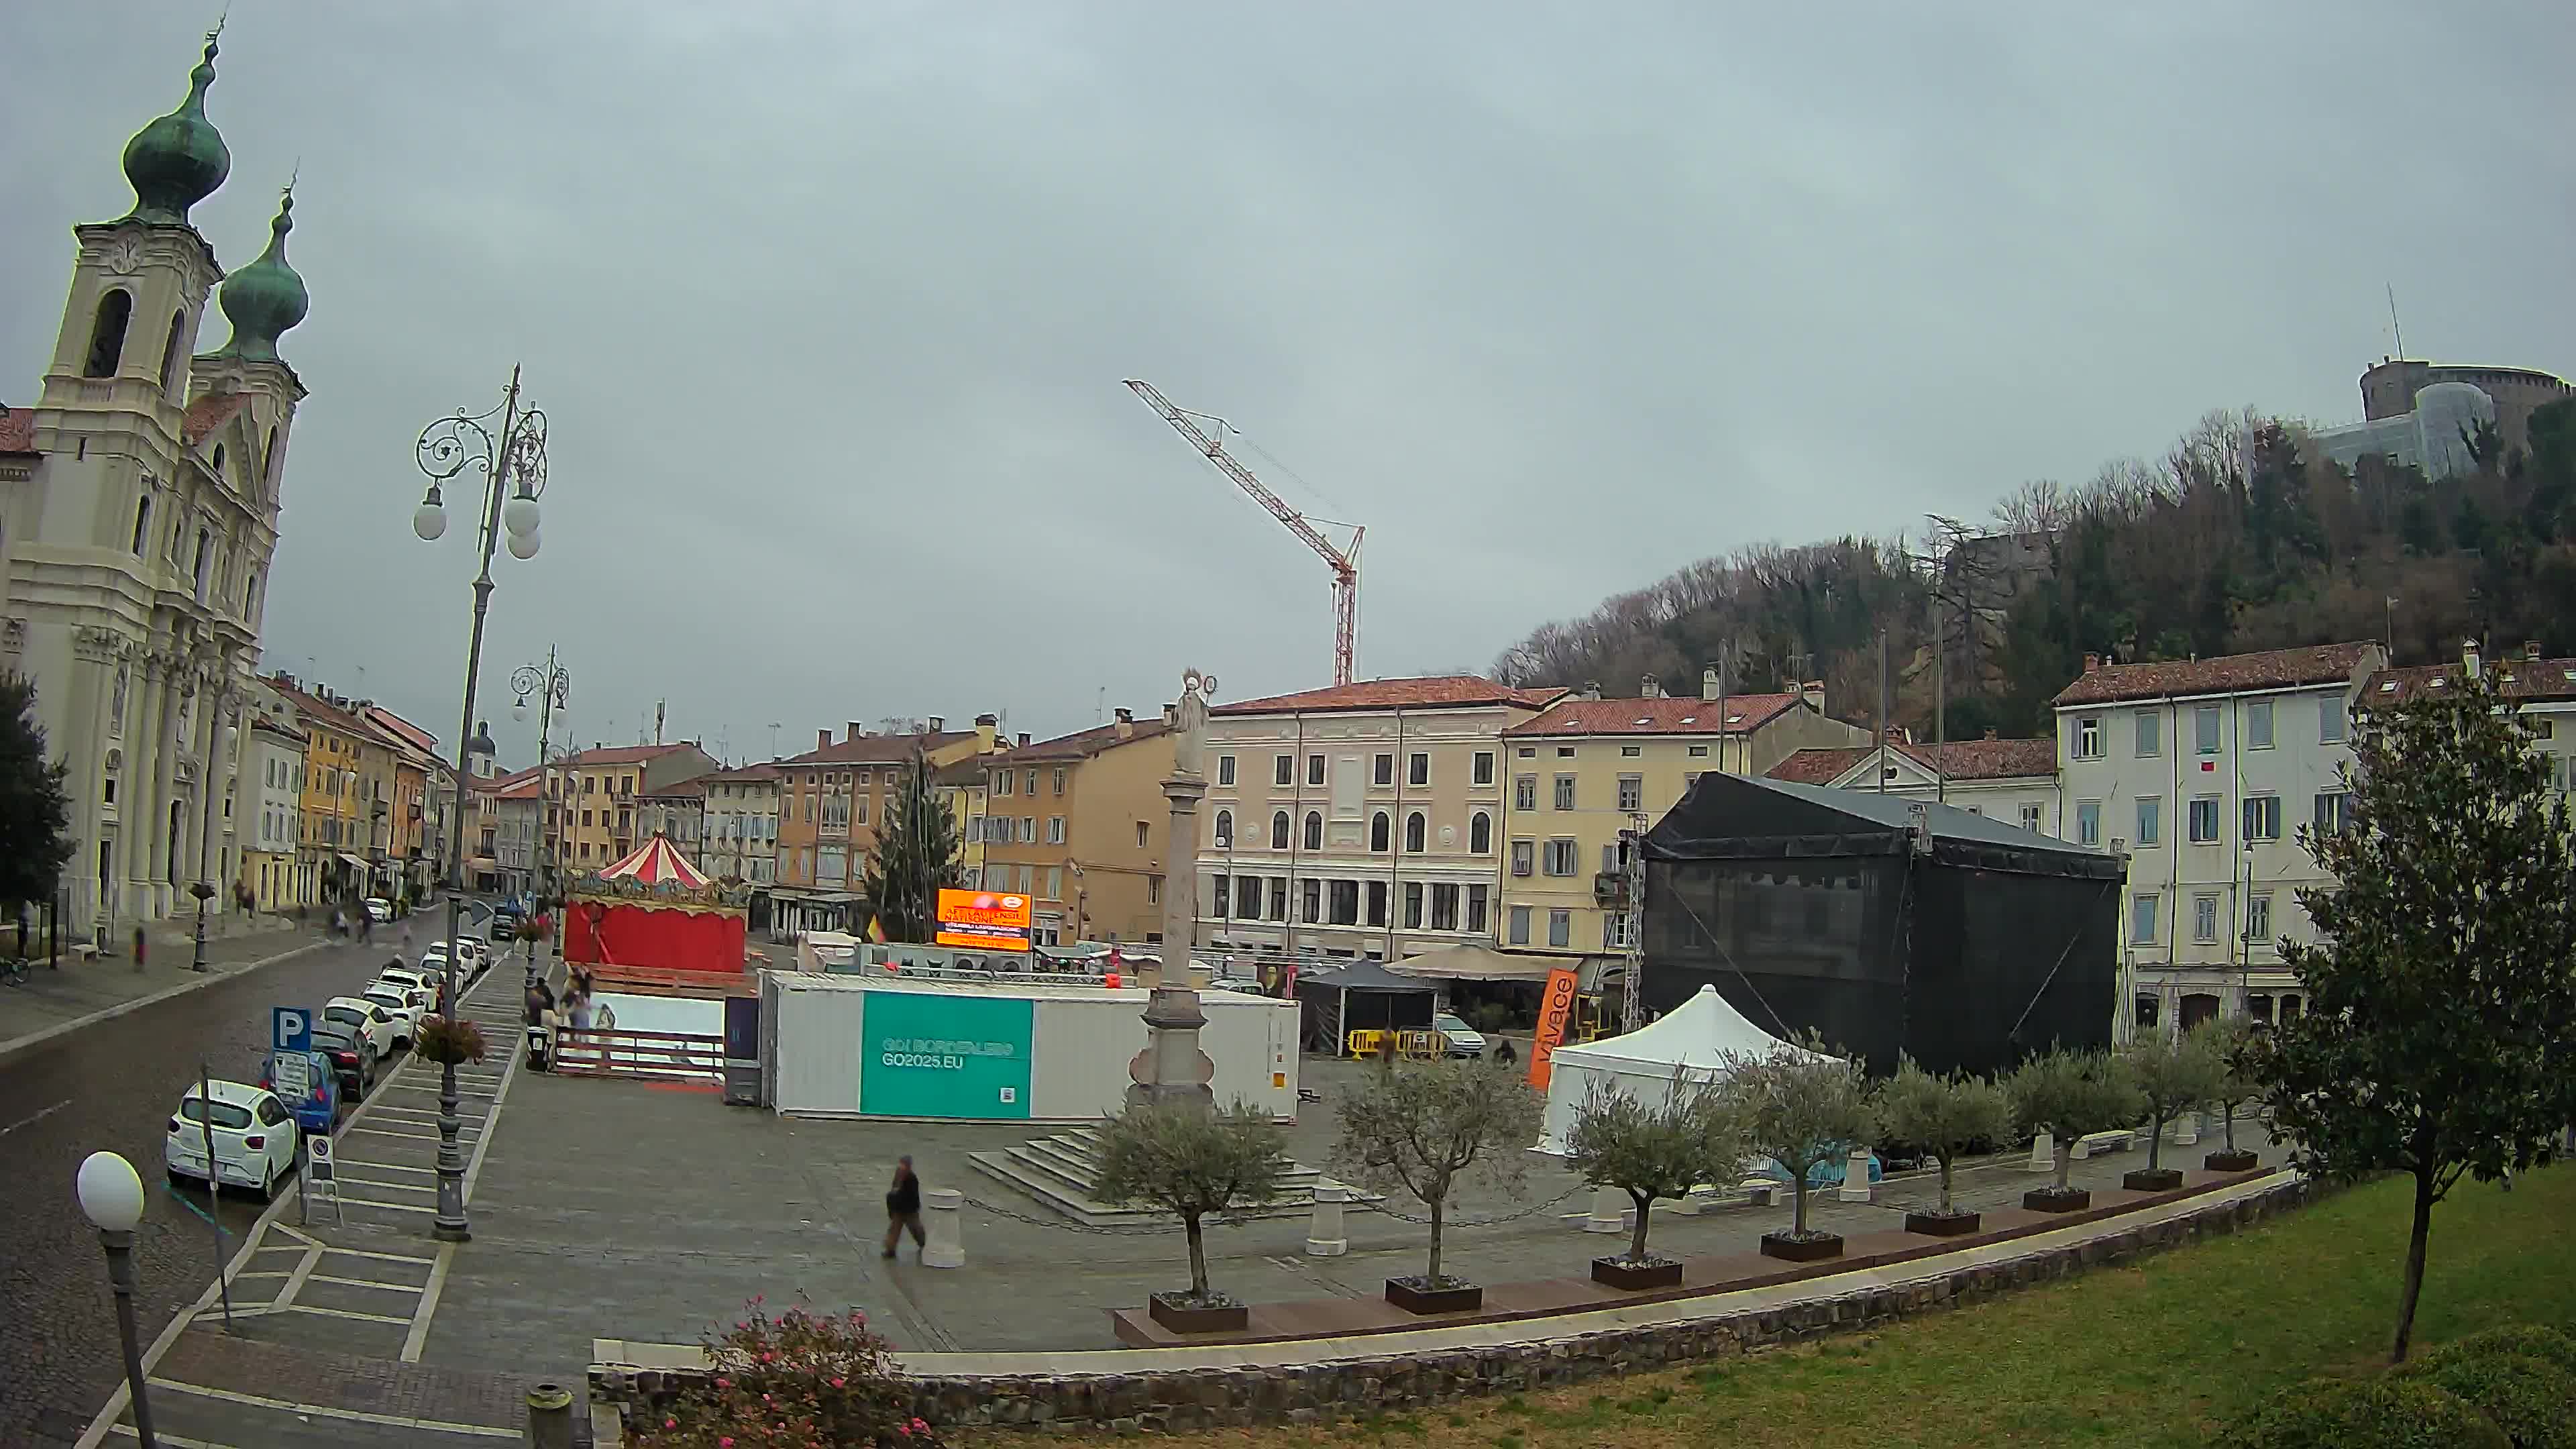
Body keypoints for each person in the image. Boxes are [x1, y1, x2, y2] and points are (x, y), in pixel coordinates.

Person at [882, 1156, 925, 1259]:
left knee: (916, 1229)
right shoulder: (898, 1175)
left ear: (909, 1166)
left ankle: (923, 1244)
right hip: (898, 1209)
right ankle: (890, 1250)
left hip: (910, 1210)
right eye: (901, 1164)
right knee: (894, 1230)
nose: (901, 1167)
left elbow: (913, 1196)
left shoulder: (912, 1178)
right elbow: (894, 1190)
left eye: (904, 1165)